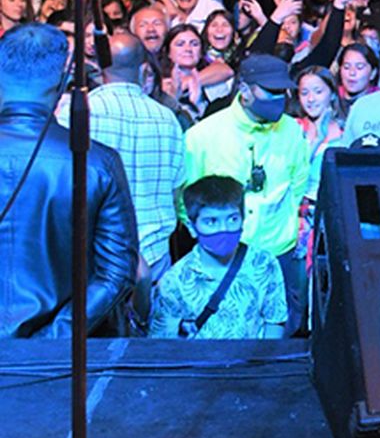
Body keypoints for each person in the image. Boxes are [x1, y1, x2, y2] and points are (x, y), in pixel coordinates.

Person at [0, 24, 138, 337]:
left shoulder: (96, 162)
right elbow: (116, 273)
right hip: (59, 363)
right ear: (64, 80)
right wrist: (55, 336)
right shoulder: (97, 161)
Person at [180, 53, 312, 332]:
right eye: (271, 91)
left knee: (280, 333)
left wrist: (285, 226)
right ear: (244, 90)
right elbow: (185, 199)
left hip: (278, 253)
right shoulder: (203, 136)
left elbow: (298, 183)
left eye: (284, 91)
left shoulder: (292, 131)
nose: (280, 97)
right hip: (222, 256)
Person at [55, 31, 184, 283]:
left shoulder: (77, 112)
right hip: (155, 253)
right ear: (144, 68)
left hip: (97, 254)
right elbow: (177, 188)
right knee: (153, 322)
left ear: (101, 65)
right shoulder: (167, 118)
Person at [149, 176, 288, 339]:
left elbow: (275, 321)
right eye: (211, 222)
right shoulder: (173, 282)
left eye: (233, 219)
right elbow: (163, 342)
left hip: (252, 362)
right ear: (192, 227)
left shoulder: (264, 264)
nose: (224, 229)